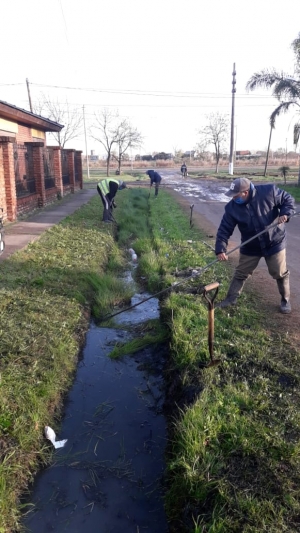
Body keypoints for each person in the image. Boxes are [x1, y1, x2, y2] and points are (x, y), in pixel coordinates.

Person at [215, 177, 295, 314]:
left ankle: (285, 300)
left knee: (279, 272)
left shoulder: (269, 191)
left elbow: (288, 200)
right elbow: (224, 229)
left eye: (236, 195)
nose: (233, 198)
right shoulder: (231, 208)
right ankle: (231, 298)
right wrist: (220, 249)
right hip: (251, 245)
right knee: (241, 272)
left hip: (274, 241)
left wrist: (285, 213)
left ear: (245, 193)